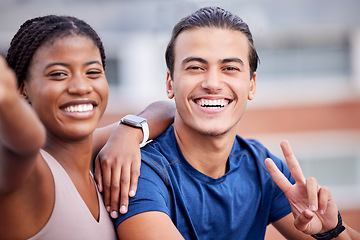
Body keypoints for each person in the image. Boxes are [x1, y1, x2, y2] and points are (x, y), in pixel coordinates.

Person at [113, 6, 360, 240]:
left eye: (229, 68)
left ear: (251, 85)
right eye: (196, 67)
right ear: (170, 83)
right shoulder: (139, 173)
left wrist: (330, 231)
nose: (212, 83)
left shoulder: (262, 167)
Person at [0, 15, 174, 239]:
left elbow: (167, 110)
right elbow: (24, 144)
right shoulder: (29, 173)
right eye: (58, 74)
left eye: (92, 72)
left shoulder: (87, 156)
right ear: (22, 88)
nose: (81, 87)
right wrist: (7, 103)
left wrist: (129, 131)